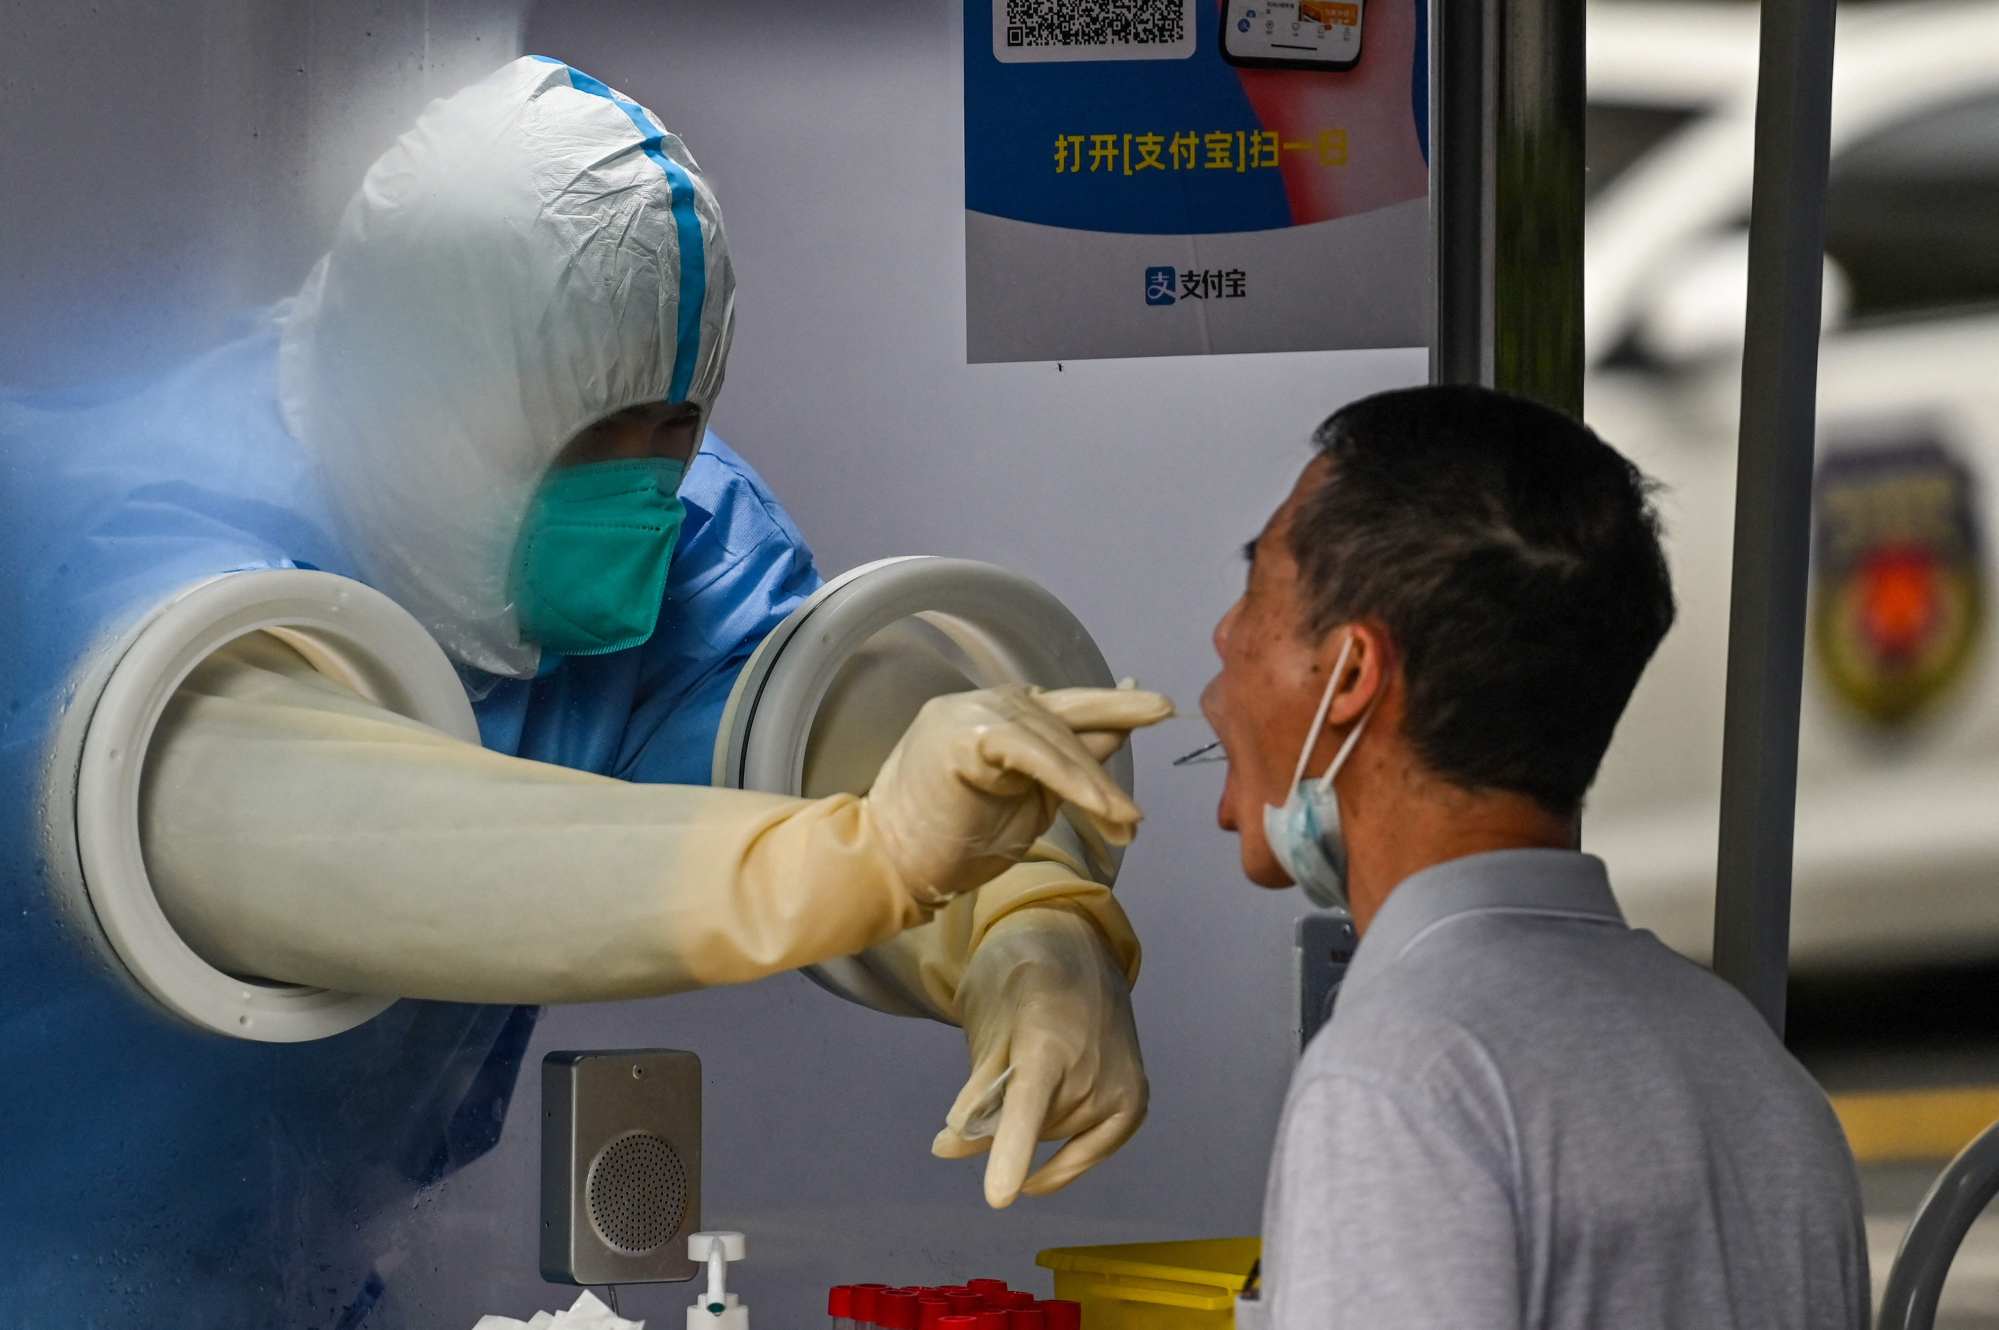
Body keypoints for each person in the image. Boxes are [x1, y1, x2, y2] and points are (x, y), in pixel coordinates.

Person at [2, 56, 1165, 1210]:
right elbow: (280, 823)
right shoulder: (130, 518)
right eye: (595, 428)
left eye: (674, 421)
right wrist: (863, 858)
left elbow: (807, 721)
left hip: (321, 1230)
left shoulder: (689, 534)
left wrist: (1033, 935)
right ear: (434, 395)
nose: (646, 489)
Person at [1200, 386, 1868, 1328]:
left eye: (1253, 583)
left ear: (1349, 674)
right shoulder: (1746, 1064)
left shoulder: (1402, 1076)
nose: (1222, 638)